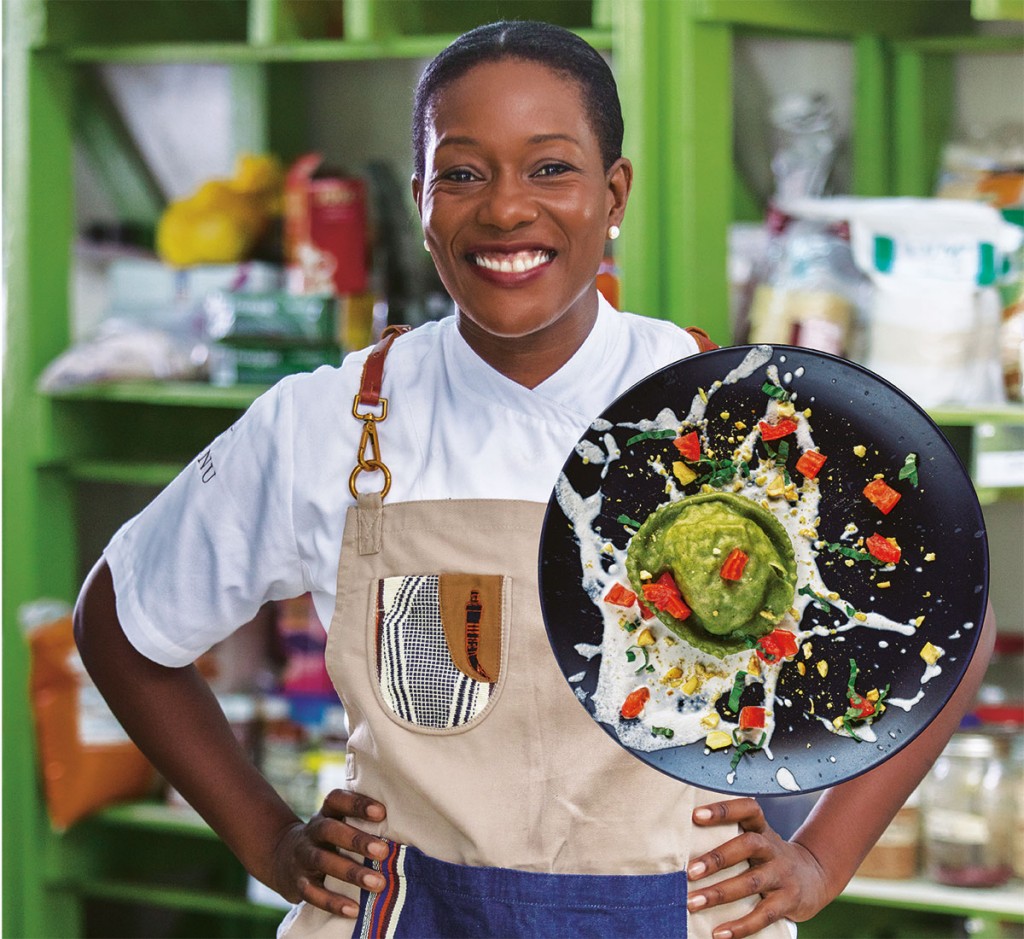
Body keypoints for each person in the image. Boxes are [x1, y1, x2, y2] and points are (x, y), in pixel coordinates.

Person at [74, 20, 994, 939]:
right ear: (421, 202)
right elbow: (119, 621)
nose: (507, 209)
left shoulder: (740, 412)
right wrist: (270, 843)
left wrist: (822, 858)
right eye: (463, 173)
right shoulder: (329, 422)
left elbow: (955, 614)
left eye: (550, 167)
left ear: (614, 190)